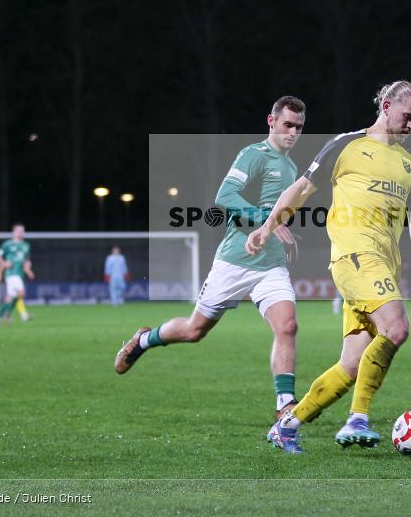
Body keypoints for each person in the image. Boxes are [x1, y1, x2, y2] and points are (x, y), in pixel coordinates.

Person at [247, 81, 411, 454]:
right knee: (396, 327)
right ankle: (358, 418)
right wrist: (268, 226)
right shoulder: (347, 144)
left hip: (384, 265)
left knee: (351, 366)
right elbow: (301, 190)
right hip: (354, 256)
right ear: (385, 106)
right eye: (407, 117)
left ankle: (287, 426)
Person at [114, 95, 306, 419]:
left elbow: (279, 214)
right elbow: (225, 196)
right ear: (271, 121)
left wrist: (283, 231)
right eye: (287, 124)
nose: (293, 132)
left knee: (287, 326)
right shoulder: (253, 155)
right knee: (194, 331)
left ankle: (284, 404)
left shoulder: (290, 167)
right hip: (234, 260)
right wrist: (265, 219)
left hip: (270, 264)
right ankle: (145, 339)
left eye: (299, 127)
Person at [0, 223, 35, 326]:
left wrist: (29, 271)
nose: (21, 233)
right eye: (18, 231)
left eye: (22, 231)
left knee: (10, 297)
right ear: (14, 232)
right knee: (21, 293)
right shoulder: (7, 244)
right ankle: (11, 312)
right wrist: (1, 269)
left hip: (20, 274)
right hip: (11, 274)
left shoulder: (26, 245)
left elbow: (27, 261)